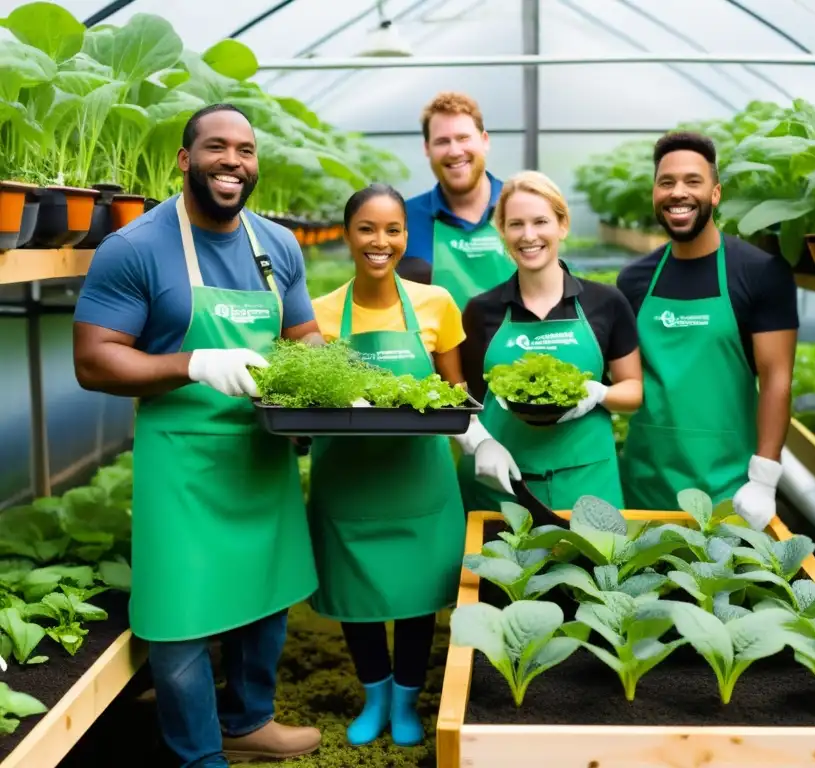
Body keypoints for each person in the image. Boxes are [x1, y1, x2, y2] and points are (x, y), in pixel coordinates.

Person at [72, 104, 323, 767]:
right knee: (181, 617)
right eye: (216, 147)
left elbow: (306, 341)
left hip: (260, 452)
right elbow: (95, 359)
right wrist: (193, 363)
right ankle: (199, 754)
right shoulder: (136, 247)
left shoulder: (278, 245)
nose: (232, 161)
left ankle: (250, 721)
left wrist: (334, 389)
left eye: (245, 150)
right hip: (183, 461)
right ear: (186, 159)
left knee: (267, 598)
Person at [305, 184, 477, 748]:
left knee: (416, 595)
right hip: (349, 481)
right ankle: (373, 696)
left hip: (418, 481)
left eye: (393, 229)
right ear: (348, 235)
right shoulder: (321, 312)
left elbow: (456, 390)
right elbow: (307, 400)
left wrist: (479, 438)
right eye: (367, 229)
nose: (381, 241)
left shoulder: (436, 304)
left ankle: (405, 701)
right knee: (358, 594)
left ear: (406, 235)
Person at [616, 130, 799, 530]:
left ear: (715, 194)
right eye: (667, 182)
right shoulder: (632, 280)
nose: (678, 192)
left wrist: (764, 478)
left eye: (692, 181)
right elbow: (622, 376)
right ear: (654, 194)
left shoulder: (760, 273)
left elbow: (776, 378)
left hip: (728, 491)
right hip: (645, 485)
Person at [458, 170, 643, 511]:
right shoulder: (481, 311)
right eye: (515, 224)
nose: (529, 236)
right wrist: (478, 442)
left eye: (540, 221)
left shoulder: (606, 303)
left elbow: (633, 391)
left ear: (562, 225)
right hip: (503, 485)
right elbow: (463, 400)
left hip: (588, 485)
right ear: (503, 232)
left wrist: (599, 393)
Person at [398, 91, 515, 310]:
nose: (454, 151)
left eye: (463, 138)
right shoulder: (403, 220)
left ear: (484, 141)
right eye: (442, 141)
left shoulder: (521, 207)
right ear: (427, 148)